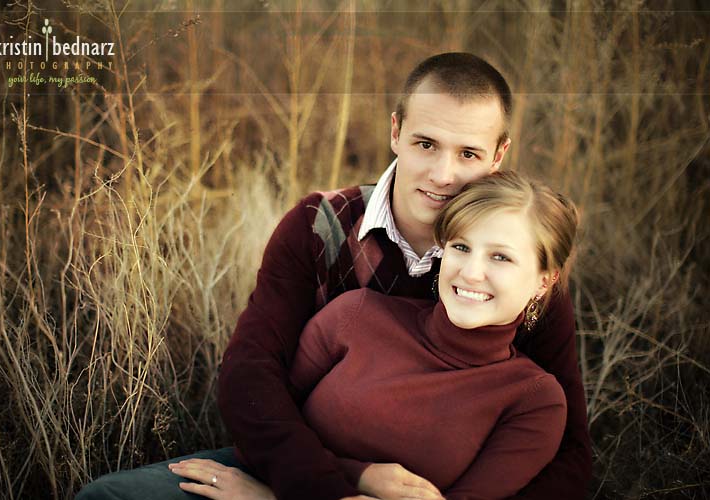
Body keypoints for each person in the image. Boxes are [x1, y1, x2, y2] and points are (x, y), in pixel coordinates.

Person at [77, 52, 591, 500]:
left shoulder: (517, 274)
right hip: (295, 468)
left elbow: (566, 452)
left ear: (498, 155)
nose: (443, 175)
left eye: (469, 154)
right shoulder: (320, 227)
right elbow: (252, 373)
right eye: (425, 144)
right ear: (396, 132)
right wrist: (329, 489)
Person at [168, 170, 579, 500]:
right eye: (460, 247)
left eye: (501, 257)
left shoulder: (533, 401)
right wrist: (360, 477)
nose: (471, 272)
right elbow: (259, 431)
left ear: (544, 280)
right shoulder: (355, 314)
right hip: (251, 480)